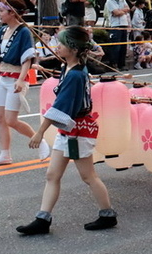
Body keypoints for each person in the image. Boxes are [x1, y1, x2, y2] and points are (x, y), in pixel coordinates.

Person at [16, 26, 116, 235]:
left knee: (88, 176)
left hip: (78, 130)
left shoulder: (74, 75)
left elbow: (60, 108)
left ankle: (107, 214)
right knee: (52, 174)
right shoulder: (70, 68)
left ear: (72, 48)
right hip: (72, 129)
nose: (57, 46)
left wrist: (40, 132)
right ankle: (42, 218)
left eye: (61, 43)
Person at [0, 0, 38, 167]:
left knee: (11, 120)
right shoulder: (2, 31)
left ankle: (39, 140)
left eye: (1, 11)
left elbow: (27, 59)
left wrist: (22, 79)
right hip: (3, 77)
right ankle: (5, 154)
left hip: (16, 77)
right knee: (0, 118)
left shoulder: (24, 32)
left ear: (12, 12)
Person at [103, 0, 131, 70]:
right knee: (116, 46)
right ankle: (113, 64)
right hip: (115, 25)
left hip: (124, 24)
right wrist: (122, 11)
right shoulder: (109, 1)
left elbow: (128, 8)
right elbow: (115, 13)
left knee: (123, 46)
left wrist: (120, 11)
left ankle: (121, 64)